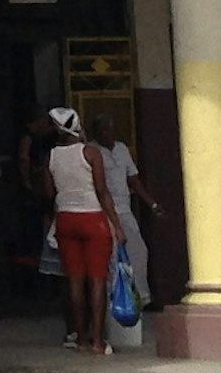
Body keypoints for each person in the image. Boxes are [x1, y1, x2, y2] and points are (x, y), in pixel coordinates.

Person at [43, 109, 114, 355]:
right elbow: (103, 191)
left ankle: (81, 338)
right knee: (97, 280)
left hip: (65, 219)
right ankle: (98, 340)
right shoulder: (90, 153)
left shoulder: (51, 156)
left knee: (74, 281)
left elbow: (49, 193)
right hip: (93, 218)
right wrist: (116, 224)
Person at [95, 122, 151, 318]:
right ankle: (114, 301)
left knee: (139, 252)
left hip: (125, 209)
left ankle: (140, 298)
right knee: (111, 257)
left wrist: (151, 204)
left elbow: (133, 179)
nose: (107, 133)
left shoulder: (121, 149)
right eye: (102, 130)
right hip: (103, 211)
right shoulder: (93, 151)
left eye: (109, 129)